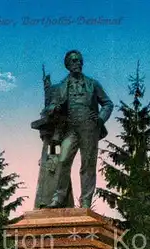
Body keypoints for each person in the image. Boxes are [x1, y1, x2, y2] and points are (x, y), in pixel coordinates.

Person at [46, 50, 114, 208]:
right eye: (73, 61)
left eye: (79, 60)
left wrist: (101, 118)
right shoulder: (62, 86)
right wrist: (53, 107)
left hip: (89, 128)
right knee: (62, 160)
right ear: (68, 65)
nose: (77, 63)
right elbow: (52, 104)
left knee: (87, 165)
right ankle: (59, 198)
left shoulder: (93, 83)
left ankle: (85, 202)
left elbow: (108, 103)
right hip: (71, 128)